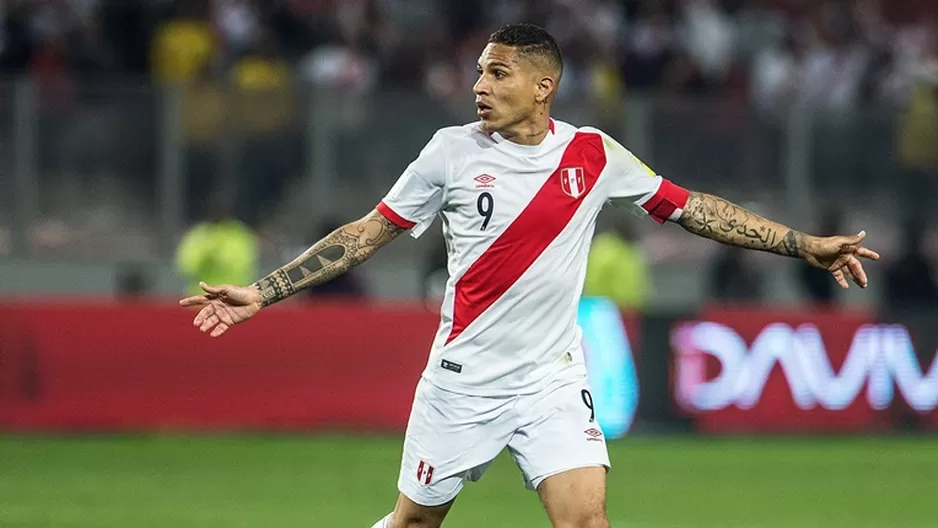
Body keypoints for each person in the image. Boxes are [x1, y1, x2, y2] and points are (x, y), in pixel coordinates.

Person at [179, 23, 879, 528]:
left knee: (586, 521)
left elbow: (690, 208)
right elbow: (367, 234)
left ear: (544, 86)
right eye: (480, 71)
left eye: (498, 73)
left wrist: (802, 245)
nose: (479, 86)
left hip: (550, 379)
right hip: (463, 381)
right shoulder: (449, 152)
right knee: (416, 524)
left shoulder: (594, 153)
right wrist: (262, 292)